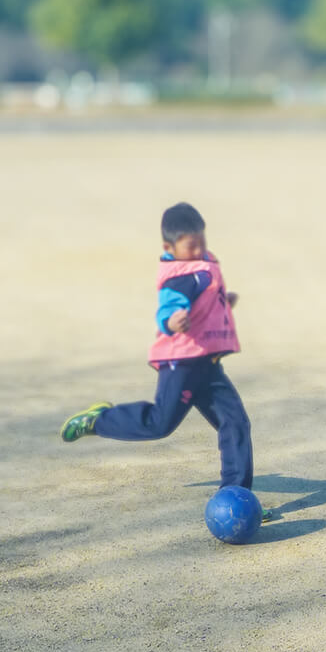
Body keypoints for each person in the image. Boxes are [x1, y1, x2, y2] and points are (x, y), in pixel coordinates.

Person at [60, 203, 261, 504]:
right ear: (169, 246)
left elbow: (204, 301)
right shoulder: (179, 276)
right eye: (191, 245)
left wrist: (221, 303)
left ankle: (236, 495)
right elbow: (168, 306)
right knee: (159, 424)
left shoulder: (203, 264)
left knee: (235, 423)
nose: (199, 249)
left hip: (208, 363)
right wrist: (171, 321)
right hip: (180, 364)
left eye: (202, 242)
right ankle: (98, 420)